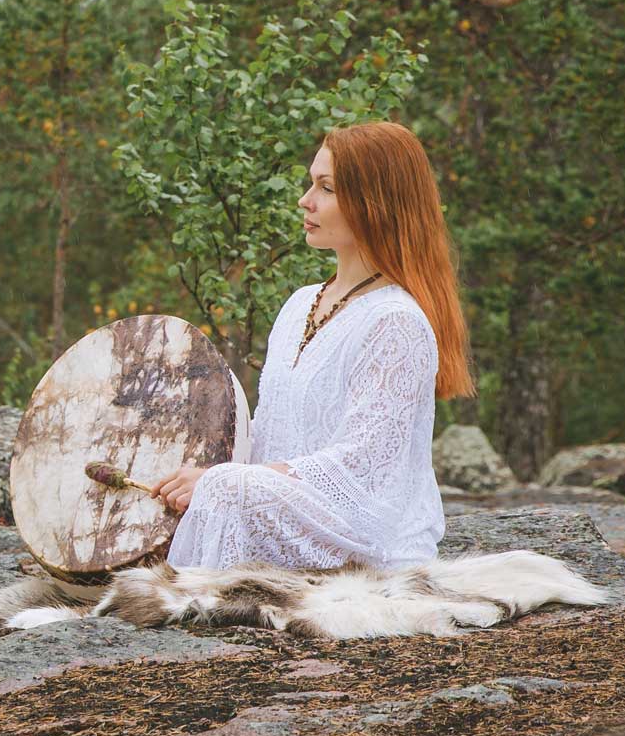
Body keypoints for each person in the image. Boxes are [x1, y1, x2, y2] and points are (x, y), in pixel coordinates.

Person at [149, 121, 476, 570]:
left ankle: (202, 595)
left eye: (327, 188)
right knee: (192, 478)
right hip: (290, 507)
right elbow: (269, 432)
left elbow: (361, 465)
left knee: (225, 489)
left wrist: (227, 480)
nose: (306, 200)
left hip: (364, 533)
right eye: (311, 183)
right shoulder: (300, 303)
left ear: (375, 204)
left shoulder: (395, 321)